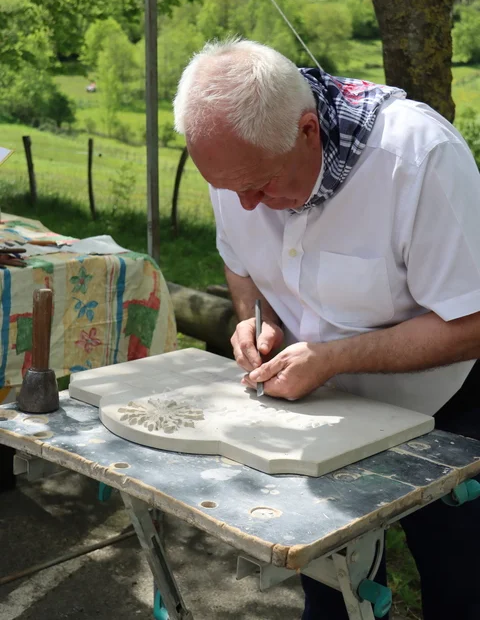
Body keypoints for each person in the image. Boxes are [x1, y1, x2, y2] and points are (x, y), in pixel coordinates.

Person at [173, 38, 480, 620]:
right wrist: (255, 320)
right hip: (318, 412)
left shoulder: (418, 158)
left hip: (447, 405)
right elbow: (240, 263)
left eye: (260, 185)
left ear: (308, 130)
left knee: (461, 584)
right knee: (334, 587)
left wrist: (334, 357)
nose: (245, 203)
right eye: (229, 188)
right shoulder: (239, 164)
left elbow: (472, 323)